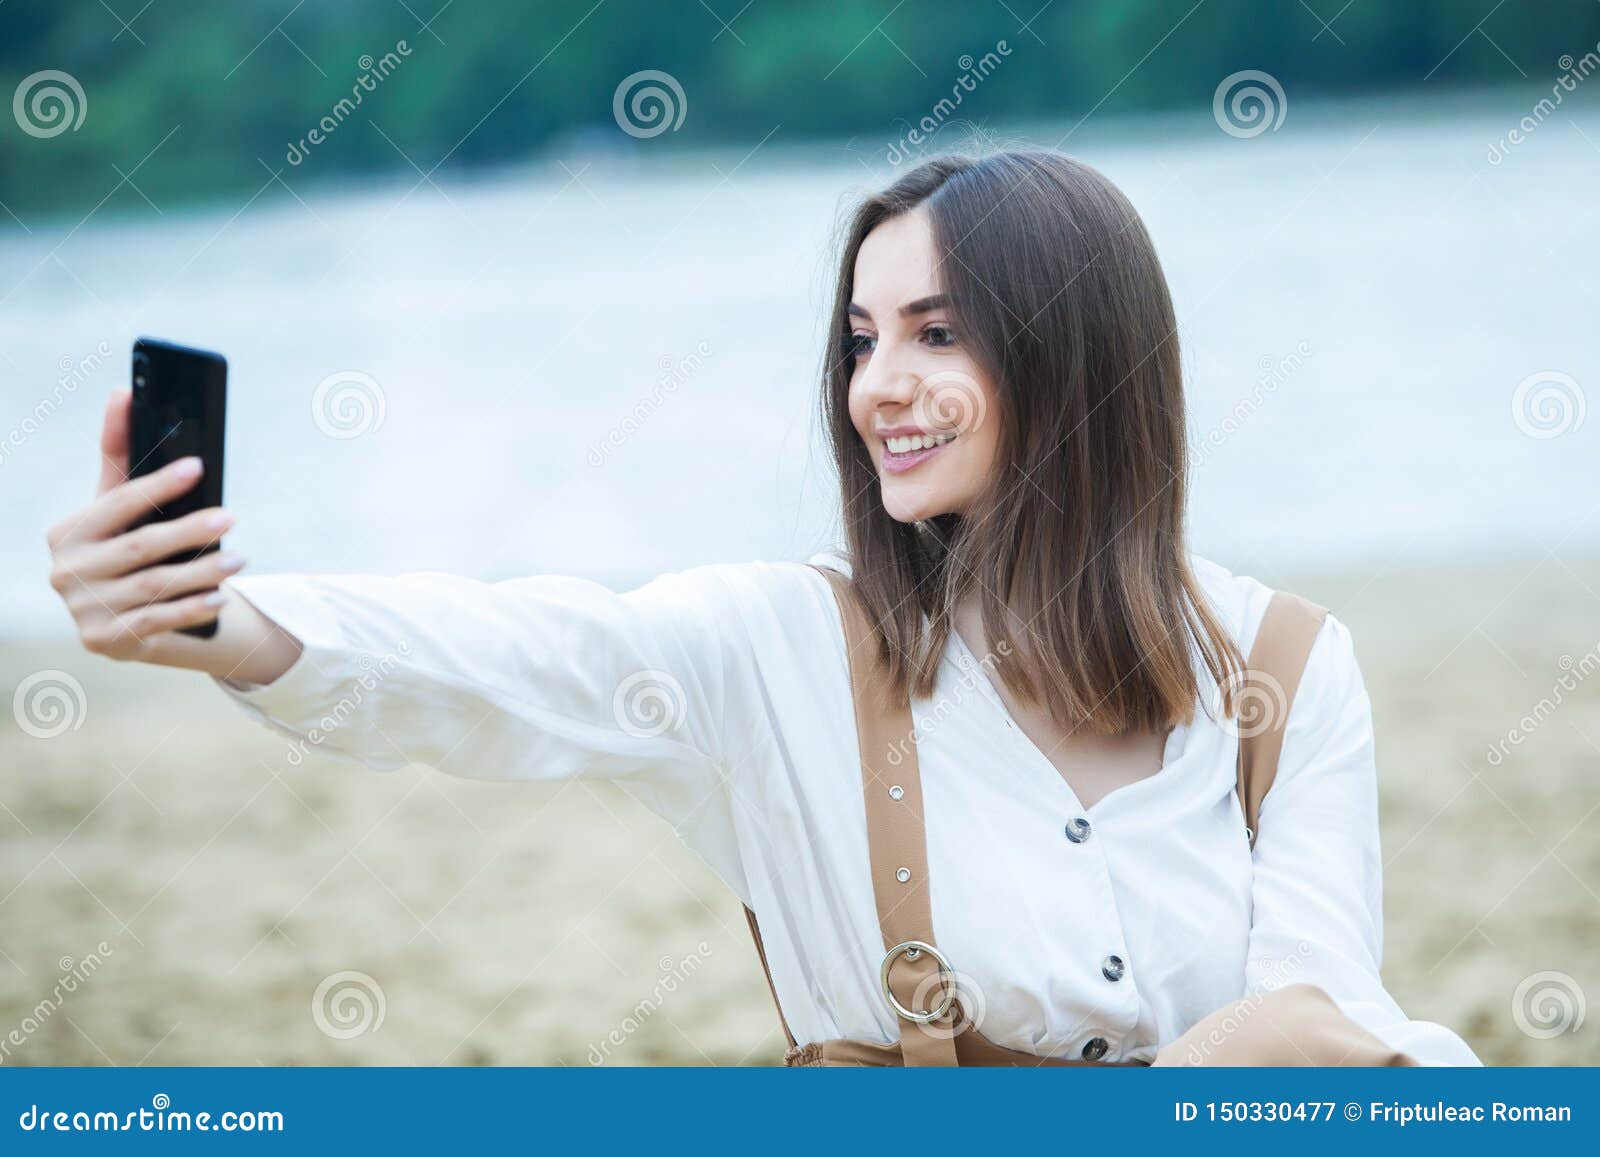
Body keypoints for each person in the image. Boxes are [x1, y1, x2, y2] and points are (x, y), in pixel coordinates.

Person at [45, 150, 1481, 1066]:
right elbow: (510, 661)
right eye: (862, 341)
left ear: (1075, 347)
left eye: (936, 332)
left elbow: (1313, 1023)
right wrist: (215, 620)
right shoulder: (789, 647)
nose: (877, 388)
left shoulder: (1288, 668)